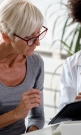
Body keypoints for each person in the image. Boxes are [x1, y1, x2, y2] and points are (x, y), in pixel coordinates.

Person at [0, 0, 48, 134]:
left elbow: (37, 116)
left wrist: (33, 130)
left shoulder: (36, 63)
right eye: (29, 37)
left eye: (38, 33)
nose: (37, 43)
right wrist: (17, 113)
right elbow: (20, 113)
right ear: (6, 36)